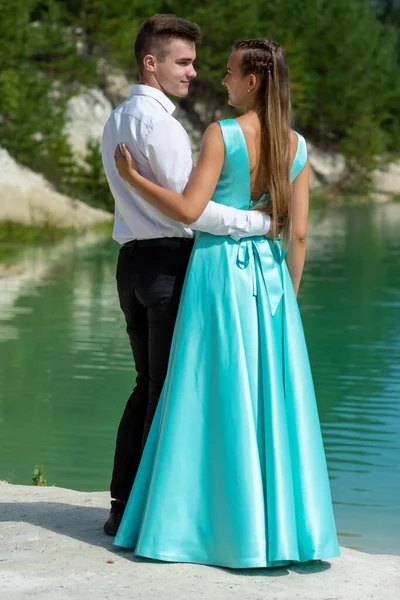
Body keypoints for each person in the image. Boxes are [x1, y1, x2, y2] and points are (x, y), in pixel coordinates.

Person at [112, 38, 340, 568]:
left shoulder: (222, 133)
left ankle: (199, 525)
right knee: (266, 400)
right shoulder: (298, 146)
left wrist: (134, 180)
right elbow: (298, 236)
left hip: (217, 272)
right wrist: (287, 297)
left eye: (231, 72)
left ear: (253, 81)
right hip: (271, 278)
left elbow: (192, 211)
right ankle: (275, 532)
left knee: (207, 392)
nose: (223, 80)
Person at [101, 15, 272, 536]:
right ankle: (147, 515)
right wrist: (258, 223)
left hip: (130, 264)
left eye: (195, 63)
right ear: (150, 62)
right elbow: (189, 211)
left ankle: (120, 505)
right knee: (168, 390)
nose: (193, 72)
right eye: (184, 61)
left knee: (144, 386)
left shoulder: (115, 119)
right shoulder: (163, 127)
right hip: (168, 266)